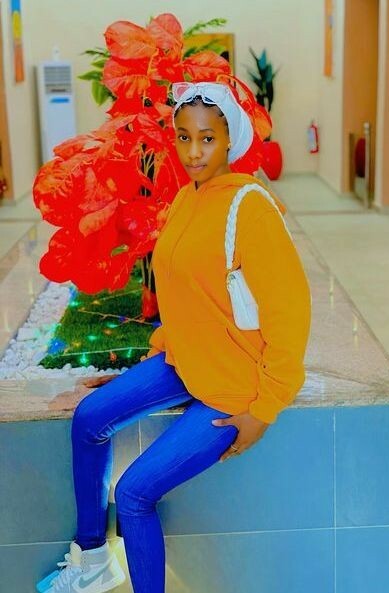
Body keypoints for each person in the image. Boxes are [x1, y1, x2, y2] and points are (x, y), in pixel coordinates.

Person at [38, 81, 311, 593]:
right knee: (90, 418)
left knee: (134, 493)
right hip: (185, 361)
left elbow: (290, 313)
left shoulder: (250, 208)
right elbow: (186, 294)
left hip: (231, 388)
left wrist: (264, 409)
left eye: (207, 138)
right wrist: (148, 365)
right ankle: (93, 557)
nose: (193, 152)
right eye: (184, 137)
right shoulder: (187, 199)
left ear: (230, 139)